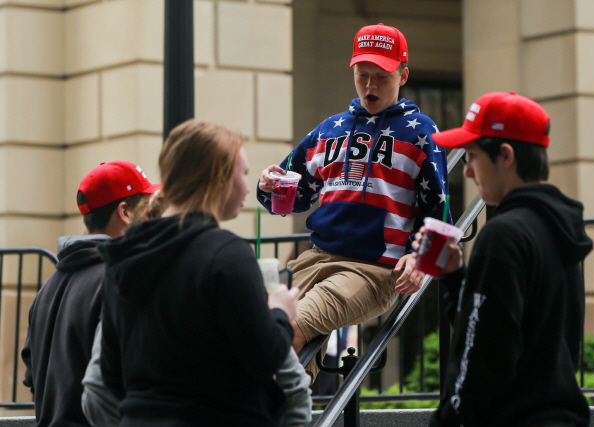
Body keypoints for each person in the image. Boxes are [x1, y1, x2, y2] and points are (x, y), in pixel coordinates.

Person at [257, 23, 450, 379]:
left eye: (382, 76)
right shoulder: (330, 129)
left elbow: (439, 213)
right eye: (363, 75)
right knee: (255, 327)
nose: (371, 85)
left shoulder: (422, 132)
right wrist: (268, 183)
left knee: (289, 325)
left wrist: (421, 260)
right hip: (314, 259)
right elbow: (292, 195)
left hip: (372, 269)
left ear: (403, 75)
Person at [98, 119, 300, 426]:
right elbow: (265, 358)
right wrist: (280, 313)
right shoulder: (228, 254)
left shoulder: (123, 255)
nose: (248, 186)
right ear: (218, 177)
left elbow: (112, 374)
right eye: (243, 174)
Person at [418, 91, 592, 427]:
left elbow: (484, 358)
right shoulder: (559, 229)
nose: (467, 171)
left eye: (471, 156)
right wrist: (455, 278)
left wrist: (446, 420)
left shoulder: (503, 234)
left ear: (506, 156)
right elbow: (507, 331)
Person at [21, 160, 160, 427]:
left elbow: (32, 377)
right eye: (147, 206)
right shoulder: (119, 279)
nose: (154, 214)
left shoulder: (47, 287)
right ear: (125, 212)